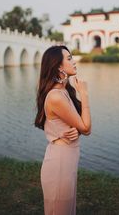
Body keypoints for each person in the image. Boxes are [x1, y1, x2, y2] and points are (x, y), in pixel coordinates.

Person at [35, 45, 91, 215]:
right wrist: (85, 95)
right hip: (60, 164)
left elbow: (80, 125)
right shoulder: (56, 96)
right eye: (69, 58)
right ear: (58, 66)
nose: (73, 61)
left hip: (67, 161)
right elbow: (87, 128)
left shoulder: (64, 91)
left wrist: (77, 130)